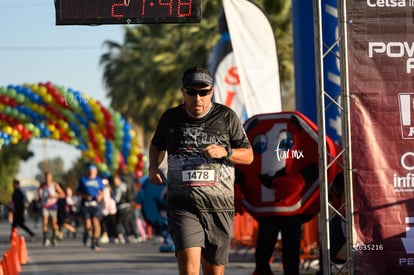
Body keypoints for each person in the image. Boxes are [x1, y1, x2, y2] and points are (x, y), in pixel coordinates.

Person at [149, 66, 254, 275]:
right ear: (183, 92)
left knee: (213, 272)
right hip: (183, 206)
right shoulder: (171, 119)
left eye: (203, 92)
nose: (198, 98)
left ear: (212, 91)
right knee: (189, 269)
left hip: (219, 208)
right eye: (192, 92)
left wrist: (225, 151)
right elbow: (157, 144)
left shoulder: (226, 117)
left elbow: (249, 156)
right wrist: (153, 167)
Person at [76, 163, 105, 251]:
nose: (91, 173)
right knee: (88, 225)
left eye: (93, 171)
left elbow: (102, 191)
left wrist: (100, 196)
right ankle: (86, 234)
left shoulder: (98, 180)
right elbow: (77, 192)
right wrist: (84, 196)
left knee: (96, 224)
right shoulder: (83, 180)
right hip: (85, 205)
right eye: (90, 171)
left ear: (96, 171)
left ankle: (94, 241)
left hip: (95, 204)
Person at [38, 172, 65, 246]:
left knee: (53, 223)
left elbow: (62, 194)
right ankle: (45, 238)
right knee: (45, 222)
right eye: (46, 177)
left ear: (51, 177)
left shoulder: (55, 185)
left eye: (49, 177)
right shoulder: (42, 185)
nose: (47, 179)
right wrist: (39, 199)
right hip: (44, 206)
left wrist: (54, 196)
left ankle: (54, 237)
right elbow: (38, 192)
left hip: (53, 206)